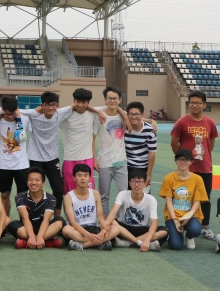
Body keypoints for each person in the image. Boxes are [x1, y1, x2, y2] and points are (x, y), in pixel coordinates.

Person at [20, 91, 103, 219]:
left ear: (57, 105)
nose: (51, 107)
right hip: (36, 159)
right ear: (42, 105)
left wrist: (98, 112)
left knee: (59, 190)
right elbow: (14, 111)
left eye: (53, 105)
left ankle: (57, 219)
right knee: (34, 189)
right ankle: (32, 218)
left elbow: (78, 105)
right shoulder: (34, 114)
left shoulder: (60, 114)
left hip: (52, 159)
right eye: (47, 105)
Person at [171, 90, 218, 240]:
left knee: (205, 198)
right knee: (183, 197)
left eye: (198, 103)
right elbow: (174, 143)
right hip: (187, 169)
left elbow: (210, 144)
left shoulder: (210, 123)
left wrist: (203, 157)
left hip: (205, 167)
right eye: (192, 102)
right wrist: (183, 160)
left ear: (204, 105)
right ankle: (182, 224)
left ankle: (205, 227)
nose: (194, 105)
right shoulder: (182, 122)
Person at [104, 169, 167, 252]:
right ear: (129, 183)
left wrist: (147, 240)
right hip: (123, 228)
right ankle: (139, 243)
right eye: (134, 181)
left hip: (142, 229)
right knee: (111, 222)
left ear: (145, 183)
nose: (136, 185)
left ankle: (126, 243)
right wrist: (105, 226)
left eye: (140, 182)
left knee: (164, 231)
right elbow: (113, 211)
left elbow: (154, 223)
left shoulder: (151, 199)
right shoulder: (123, 194)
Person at [159, 149, 209, 250]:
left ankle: (189, 236)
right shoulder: (168, 178)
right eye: (180, 159)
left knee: (195, 230)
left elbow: (197, 202)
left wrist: (188, 217)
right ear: (175, 161)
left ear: (191, 162)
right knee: (176, 246)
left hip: (191, 215)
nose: (182, 162)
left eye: (186, 160)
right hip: (173, 216)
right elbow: (169, 202)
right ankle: (177, 232)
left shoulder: (197, 179)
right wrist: (175, 220)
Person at [62, 163, 119, 250]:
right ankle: (100, 243)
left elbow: (100, 217)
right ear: (74, 178)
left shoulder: (95, 194)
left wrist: (104, 228)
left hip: (93, 228)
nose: (82, 178)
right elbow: (72, 222)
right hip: (77, 229)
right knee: (66, 230)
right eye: (79, 175)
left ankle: (83, 245)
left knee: (116, 229)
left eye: (85, 175)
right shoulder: (68, 197)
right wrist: (89, 235)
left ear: (89, 178)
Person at [7, 167, 65, 250]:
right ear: (27, 182)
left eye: (37, 180)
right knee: (12, 225)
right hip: (26, 228)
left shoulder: (51, 198)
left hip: (44, 228)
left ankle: (27, 242)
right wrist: (31, 236)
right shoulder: (19, 197)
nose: (34, 183)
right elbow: (25, 217)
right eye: (30, 180)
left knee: (60, 221)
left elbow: (46, 219)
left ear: (43, 183)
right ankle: (47, 242)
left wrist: (40, 236)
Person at [94, 86, 131, 214]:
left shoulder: (123, 116)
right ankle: (104, 221)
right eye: (109, 98)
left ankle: (120, 221)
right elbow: (92, 139)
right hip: (104, 162)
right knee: (104, 195)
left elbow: (138, 119)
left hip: (121, 161)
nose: (112, 101)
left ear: (120, 100)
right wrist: (94, 159)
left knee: (123, 194)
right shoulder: (99, 117)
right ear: (105, 100)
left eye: (115, 98)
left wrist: (152, 121)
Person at [0, 96, 31, 216]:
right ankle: (5, 221)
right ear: (2, 109)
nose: (10, 117)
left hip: (22, 165)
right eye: (7, 114)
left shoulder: (24, 119)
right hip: (4, 165)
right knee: (4, 195)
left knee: (23, 195)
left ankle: (24, 222)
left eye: (13, 113)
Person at [59, 88, 101, 193]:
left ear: (88, 103)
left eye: (84, 102)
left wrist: (94, 160)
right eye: (77, 101)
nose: (80, 105)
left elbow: (113, 107)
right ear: (73, 100)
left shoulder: (93, 115)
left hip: (87, 159)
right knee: (69, 192)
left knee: (88, 193)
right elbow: (53, 112)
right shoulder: (64, 115)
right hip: (69, 159)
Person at [124, 102, 157, 193]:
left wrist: (148, 174)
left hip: (143, 167)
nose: (134, 117)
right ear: (127, 115)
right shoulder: (124, 127)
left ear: (142, 115)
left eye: (137, 114)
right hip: (127, 167)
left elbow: (152, 153)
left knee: (144, 194)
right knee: (128, 194)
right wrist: (152, 120)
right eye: (131, 114)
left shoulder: (150, 130)